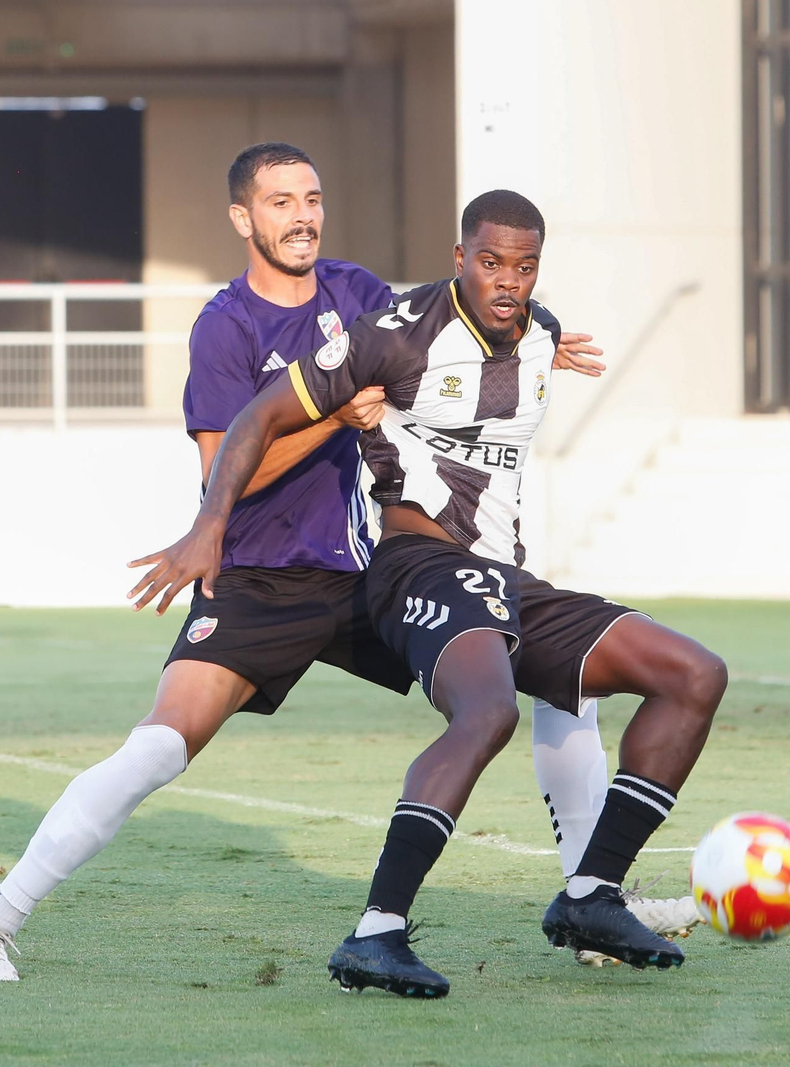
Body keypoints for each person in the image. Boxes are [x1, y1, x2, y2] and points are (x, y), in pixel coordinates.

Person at [0, 145, 669, 982]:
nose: (302, 215)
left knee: (551, 667)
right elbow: (230, 464)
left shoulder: (356, 291)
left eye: (313, 197)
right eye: (280, 200)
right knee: (157, 748)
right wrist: (335, 417)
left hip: (367, 574)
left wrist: (531, 335)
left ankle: (594, 898)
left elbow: (446, 330)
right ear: (242, 219)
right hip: (258, 578)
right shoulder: (227, 325)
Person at [128, 188, 728, 998]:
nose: (506, 281)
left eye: (523, 266)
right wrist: (210, 523)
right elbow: (255, 421)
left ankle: (591, 894)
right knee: (487, 713)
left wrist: (542, 331)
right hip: (419, 564)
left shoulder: (541, 333)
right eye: (489, 262)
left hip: (508, 580)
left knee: (694, 673)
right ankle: (376, 933)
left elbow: (525, 339)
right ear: (459, 259)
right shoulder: (393, 336)